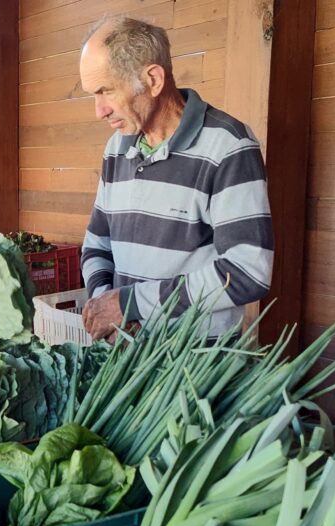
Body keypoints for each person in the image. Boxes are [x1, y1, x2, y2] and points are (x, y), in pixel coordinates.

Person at [78, 17, 274, 341]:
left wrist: (130, 305)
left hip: (197, 371)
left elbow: (247, 272)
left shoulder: (228, 146)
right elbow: (97, 245)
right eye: (92, 95)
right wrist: (106, 307)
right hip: (127, 359)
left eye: (106, 91)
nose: (99, 110)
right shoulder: (117, 148)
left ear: (153, 80)